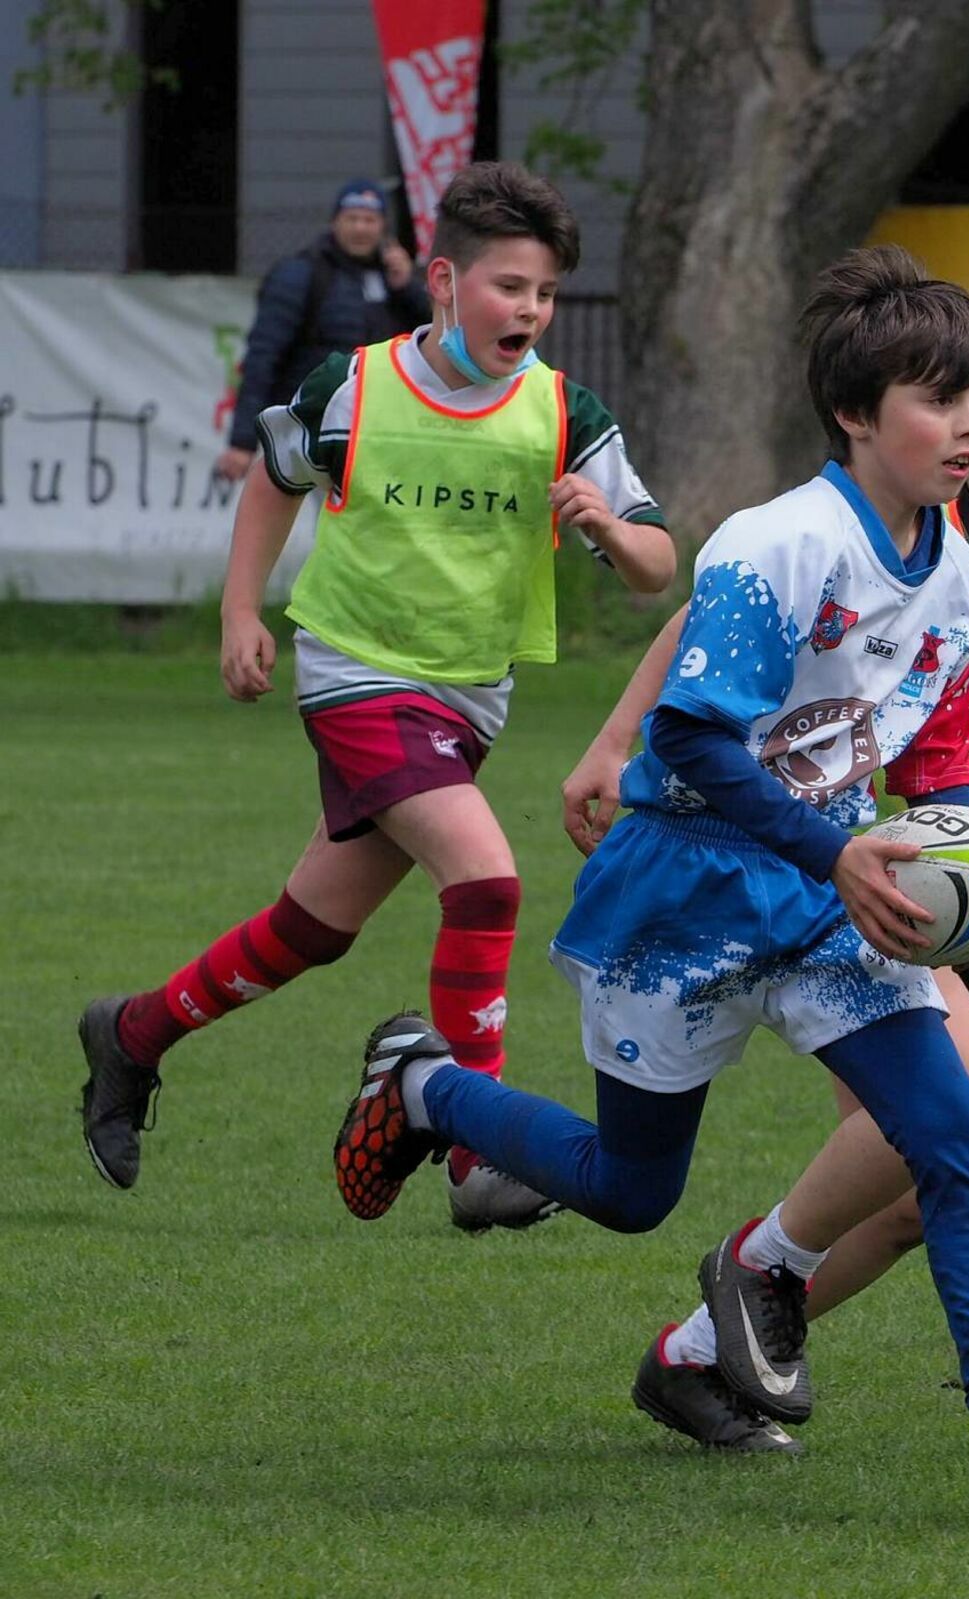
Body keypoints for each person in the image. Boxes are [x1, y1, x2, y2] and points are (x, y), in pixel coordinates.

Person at [333, 248, 969, 1522]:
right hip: (687, 891)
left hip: (828, 887)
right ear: (855, 414)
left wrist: (968, 868)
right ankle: (426, 1084)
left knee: (947, 1127)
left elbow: (935, 750)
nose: (966, 432)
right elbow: (697, 740)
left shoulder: (947, 568)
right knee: (627, 1188)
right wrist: (836, 846)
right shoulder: (777, 545)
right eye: (941, 406)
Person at [605, 313, 969, 1524]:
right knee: (968, 1102)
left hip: (928, 887)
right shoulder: (907, 520)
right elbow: (712, 629)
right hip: (821, 863)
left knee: (918, 1189)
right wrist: (608, 748)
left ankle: (700, 1353)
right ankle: (785, 1296)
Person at [78, 161, 675, 1233]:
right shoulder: (359, 384)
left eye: (543, 294)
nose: (529, 311)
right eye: (508, 287)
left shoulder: (560, 411)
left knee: (312, 928)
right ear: (444, 281)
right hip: (355, 674)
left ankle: (131, 1034)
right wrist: (241, 614)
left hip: (466, 703)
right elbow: (274, 474)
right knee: (487, 881)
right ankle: (473, 1161)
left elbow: (657, 568)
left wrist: (607, 525)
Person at [214, 178, 429, 482]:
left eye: (369, 220)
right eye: (352, 218)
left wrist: (408, 288)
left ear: (383, 227)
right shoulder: (300, 274)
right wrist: (242, 442)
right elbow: (263, 357)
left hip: (380, 430)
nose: (360, 228)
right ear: (334, 222)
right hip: (311, 429)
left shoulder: (394, 279)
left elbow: (432, 340)